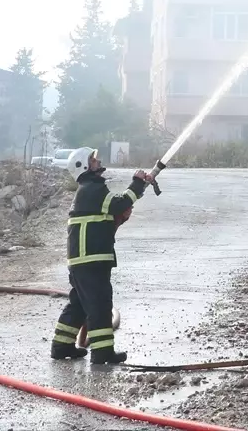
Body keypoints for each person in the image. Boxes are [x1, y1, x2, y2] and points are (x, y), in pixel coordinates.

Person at [50, 147, 154, 364]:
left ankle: (61, 345)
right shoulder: (93, 189)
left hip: (83, 261)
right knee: (99, 304)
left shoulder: (88, 190)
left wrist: (139, 189)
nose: (98, 161)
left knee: (79, 303)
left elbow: (113, 211)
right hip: (92, 261)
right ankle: (102, 352)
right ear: (84, 166)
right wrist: (136, 183)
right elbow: (119, 203)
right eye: (93, 160)